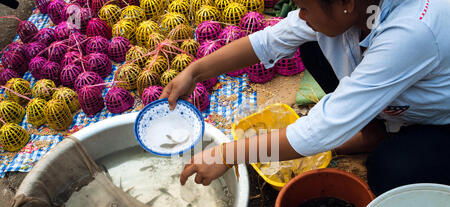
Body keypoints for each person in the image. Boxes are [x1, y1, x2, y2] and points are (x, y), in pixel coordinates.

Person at [160, 0, 450, 196]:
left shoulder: (411, 32)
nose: (300, 15)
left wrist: (227, 154)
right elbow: (267, 41)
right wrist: (195, 71)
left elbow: (320, 131)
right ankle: (373, 127)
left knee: (389, 171)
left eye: (305, 7)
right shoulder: (353, 10)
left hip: (440, 122)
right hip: (394, 99)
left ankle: (388, 136)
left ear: (346, 4)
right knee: (311, 46)